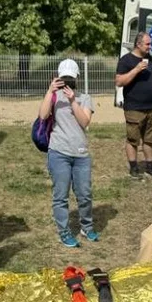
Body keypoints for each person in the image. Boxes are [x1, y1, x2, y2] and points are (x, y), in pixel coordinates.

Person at [38, 59, 99, 248]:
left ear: (77, 78)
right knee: (60, 195)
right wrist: (50, 91)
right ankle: (64, 231)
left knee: (85, 194)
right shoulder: (54, 97)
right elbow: (42, 115)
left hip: (80, 154)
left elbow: (85, 122)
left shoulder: (84, 98)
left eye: (70, 79)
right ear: (57, 77)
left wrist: (73, 100)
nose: (68, 82)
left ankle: (86, 227)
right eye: (64, 79)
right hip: (59, 152)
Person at [115, 32, 152, 179]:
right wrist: (136, 69)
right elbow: (119, 82)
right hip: (134, 108)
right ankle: (134, 167)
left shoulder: (150, 59)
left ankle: (150, 166)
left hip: (151, 108)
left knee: (149, 139)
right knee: (133, 140)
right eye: (147, 44)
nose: (150, 47)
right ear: (138, 44)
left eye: (150, 43)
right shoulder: (126, 60)